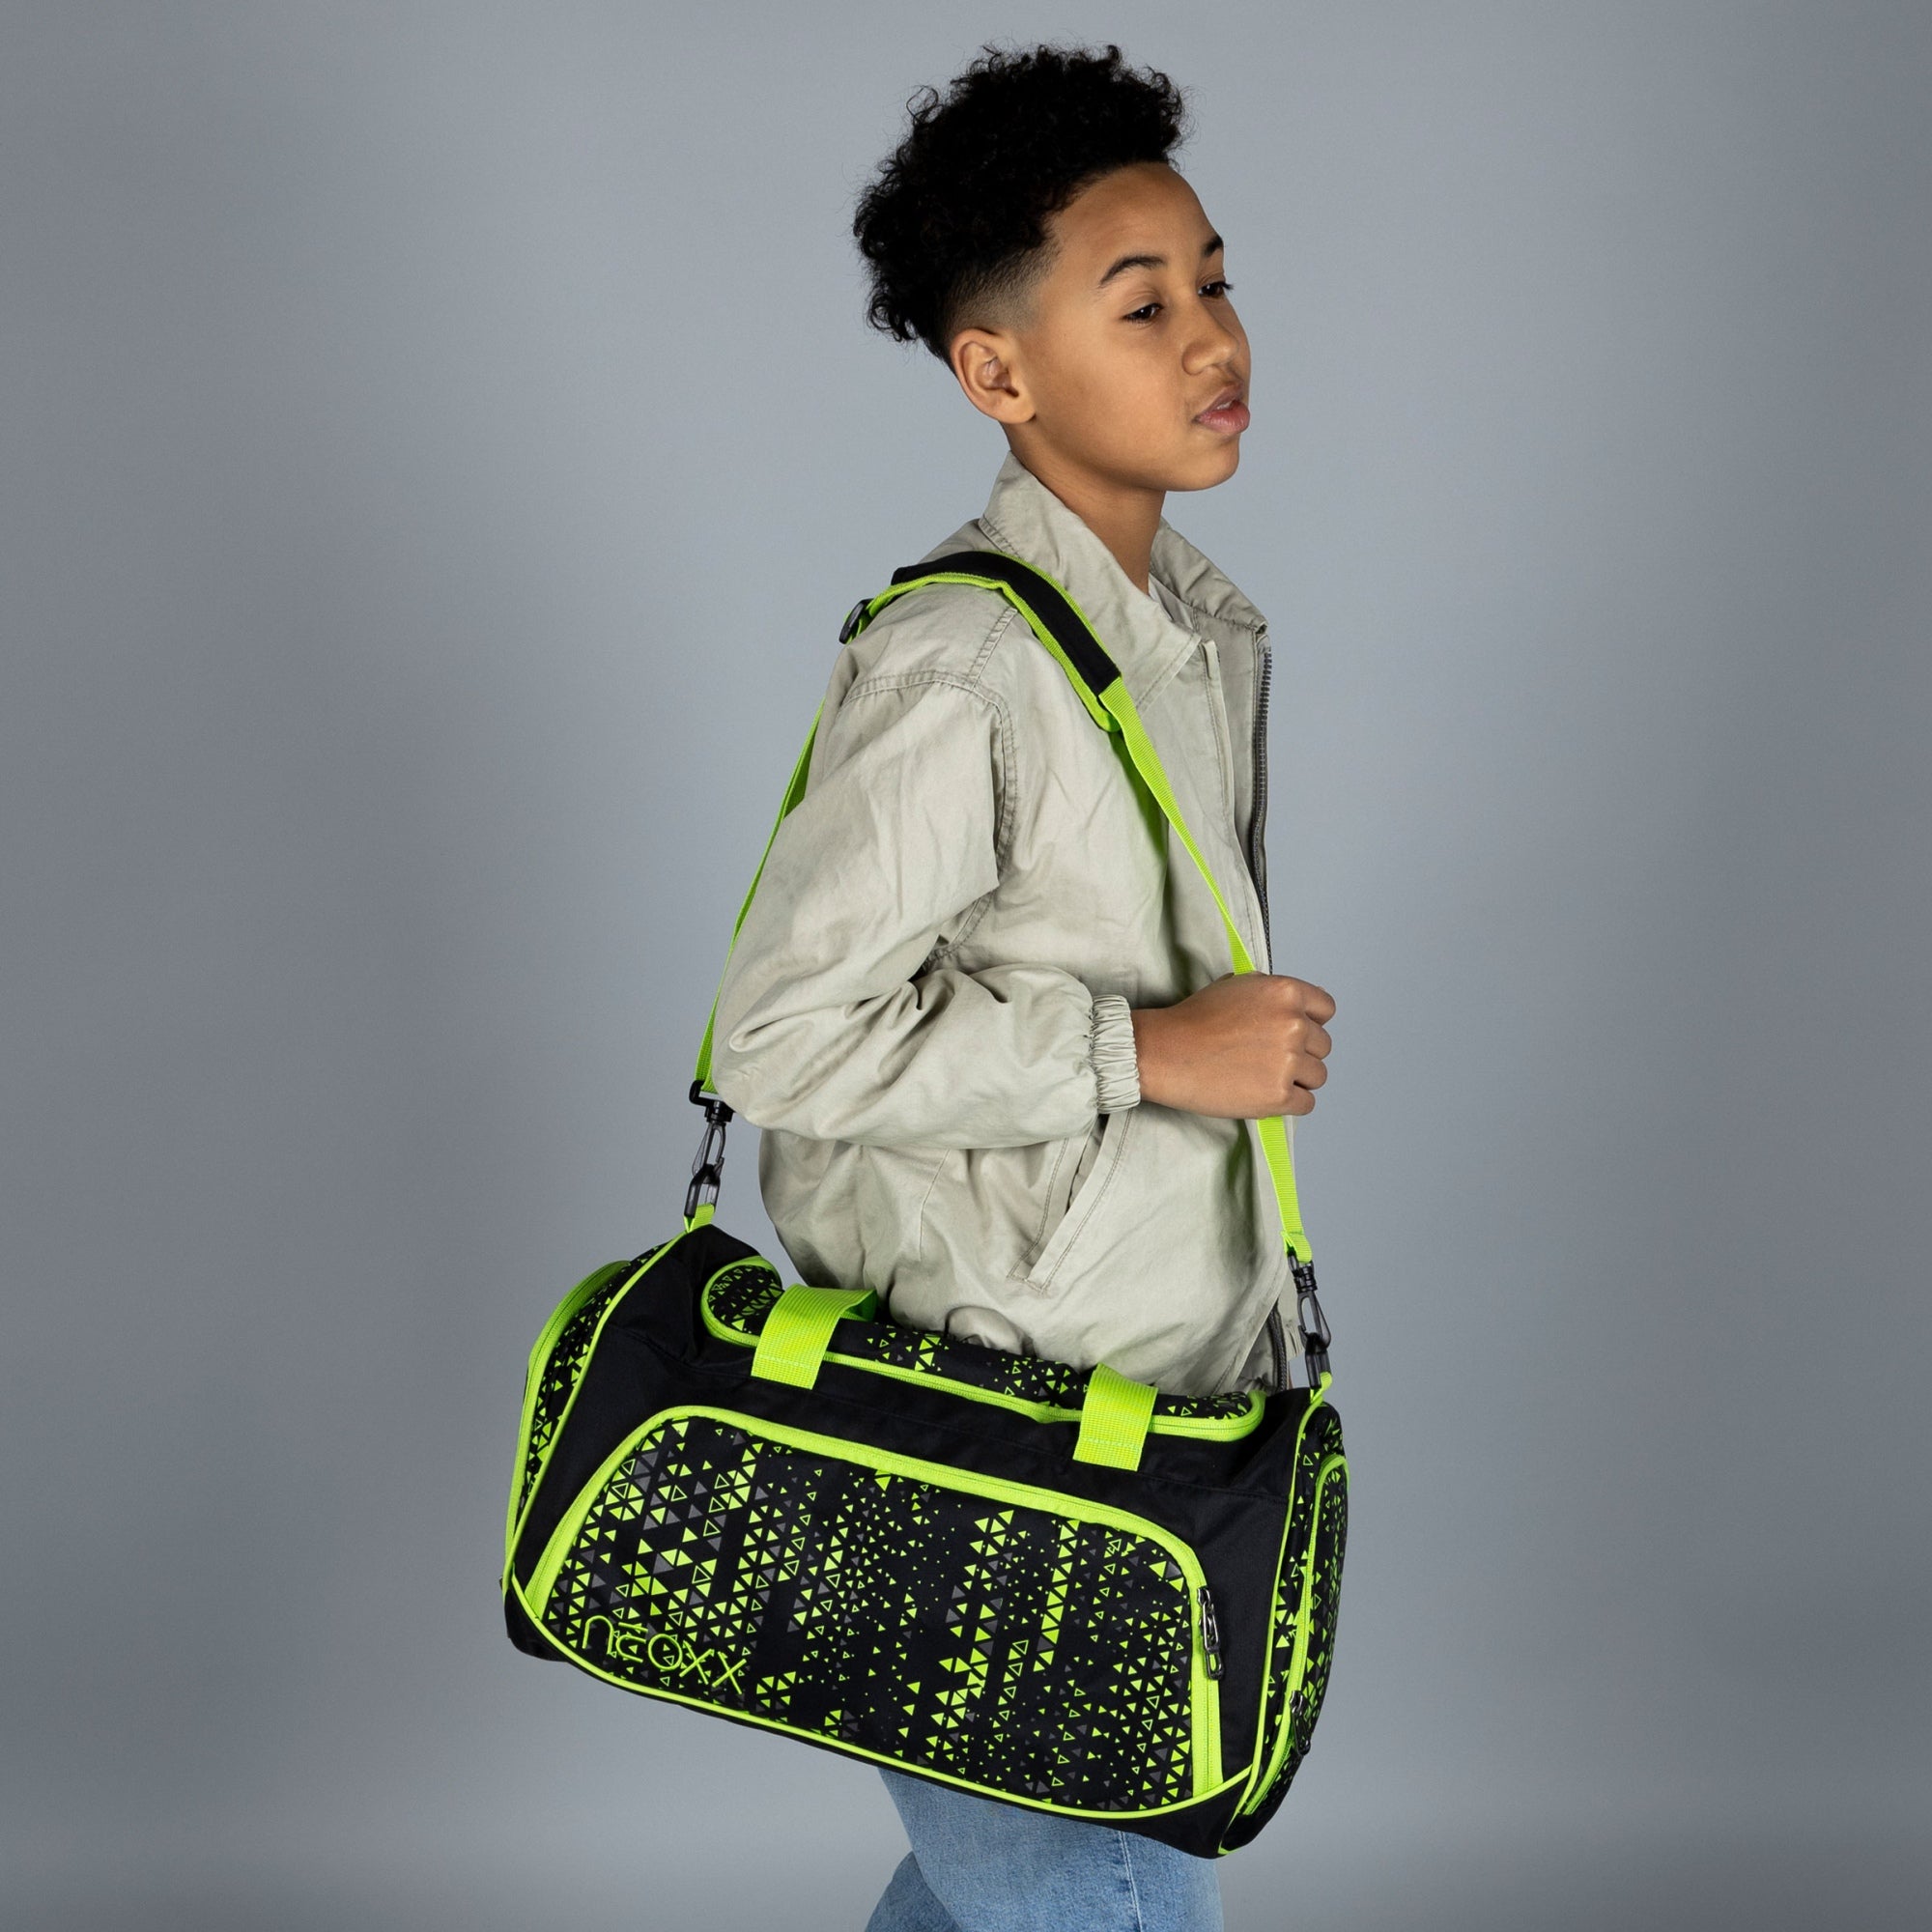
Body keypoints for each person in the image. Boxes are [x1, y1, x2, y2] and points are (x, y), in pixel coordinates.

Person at [709, 43, 1336, 1932]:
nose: (1210, 336)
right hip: (994, 1440)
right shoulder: (962, 668)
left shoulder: (1182, 633)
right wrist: (1151, 1051)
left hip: (1138, 1413)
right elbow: (782, 1034)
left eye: (1213, 280)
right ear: (999, 375)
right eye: (1140, 305)